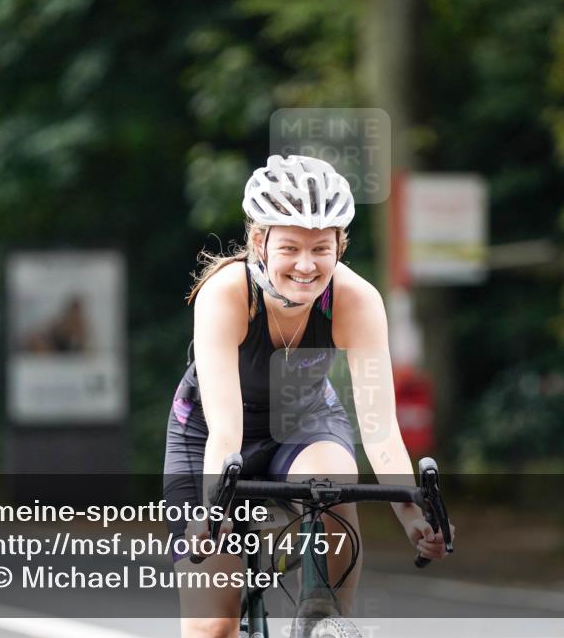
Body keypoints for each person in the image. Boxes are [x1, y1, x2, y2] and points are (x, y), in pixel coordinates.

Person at [162, 154, 454, 638]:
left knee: (334, 478)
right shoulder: (226, 294)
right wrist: (211, 514)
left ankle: (323, 621)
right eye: (291, 247)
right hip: (210, 435)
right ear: (260, 241)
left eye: (321, 248)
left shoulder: (356, 300)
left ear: (340, 245)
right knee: (211, 626)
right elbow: (226, 430)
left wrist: (411, 515)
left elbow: (380, 430)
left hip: (304, 422)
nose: (306, 264)